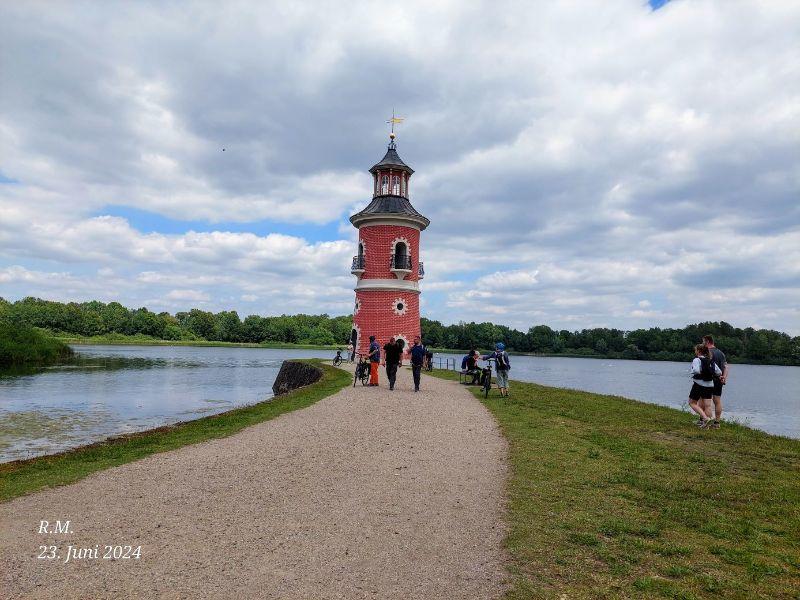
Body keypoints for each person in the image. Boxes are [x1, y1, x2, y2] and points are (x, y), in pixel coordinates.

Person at [688, 343, 721, 428]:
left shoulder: (697, 360)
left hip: (698, 384)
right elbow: (719, 372)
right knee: (708, 405)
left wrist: (692, 371)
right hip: (709, 385)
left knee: (692, 403)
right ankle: (707, 424)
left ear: (698, 351)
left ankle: (705, 418)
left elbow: (696, 370)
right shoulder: (711, 361)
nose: (695, 352)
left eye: (696, 350)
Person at [703, 334, 728, 429]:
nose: (702, 344)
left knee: (705, 401)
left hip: (708, 379)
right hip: (719, 380)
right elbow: (726, 367)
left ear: (707, 342)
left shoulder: (706, 352)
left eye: (703, 342)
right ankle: (717, 423)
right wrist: (724, 377)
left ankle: (705, 420)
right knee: (717, 401)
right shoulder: (721, 353)